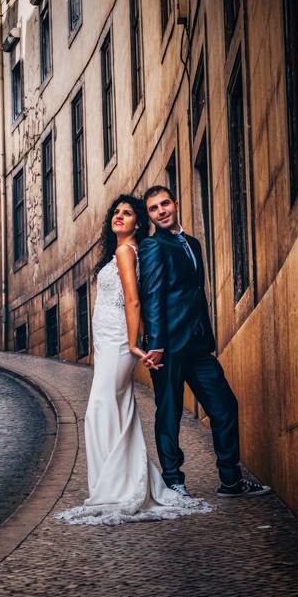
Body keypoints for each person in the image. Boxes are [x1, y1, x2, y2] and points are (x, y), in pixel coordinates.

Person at [56, 195, 211, 525]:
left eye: (127, 214)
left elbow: (133, 300)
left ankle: (114, 486)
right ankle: (126, 482)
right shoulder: (123, 252)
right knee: (120, 408)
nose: (119, 217)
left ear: (138, 223)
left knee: (100, 409)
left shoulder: (127, 252)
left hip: (118, 343)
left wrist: (134, 343)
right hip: (109, 341)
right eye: (116, 212)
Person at [139, 185, 271, 498]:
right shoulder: (152, 246)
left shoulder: (193, 244)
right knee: (168, 413)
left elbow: (194, 292)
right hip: (168, 347)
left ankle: (231, 481)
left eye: (165, 204)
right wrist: (155, 343)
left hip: (197, 343)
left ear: (176, 204)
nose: (161, 211)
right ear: (150, 216)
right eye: (154, 209)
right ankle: (173, 480)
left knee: (225, 406)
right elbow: (152, 295)